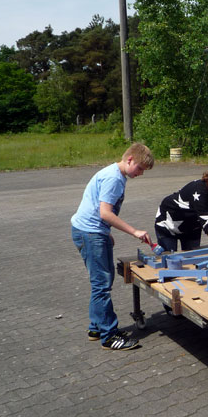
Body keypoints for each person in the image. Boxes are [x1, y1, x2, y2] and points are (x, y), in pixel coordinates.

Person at [71, 143, 154, 351]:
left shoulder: (114, 174)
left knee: (100, 283)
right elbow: (105, 213)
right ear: (130, 160)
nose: (141, 173)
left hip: (93, 231)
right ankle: (109, 336)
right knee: (102, 285)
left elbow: (95, 207)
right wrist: (134, 231)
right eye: (140, 168)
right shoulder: (114, 178)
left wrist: (106, 232)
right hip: (90, 234)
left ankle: (96, 328)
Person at [154, 168, 208, 261]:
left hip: (192, 227)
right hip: (167, 224)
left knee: (192, 260)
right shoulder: (199, 192)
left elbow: (205, 217)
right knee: (170, 261)